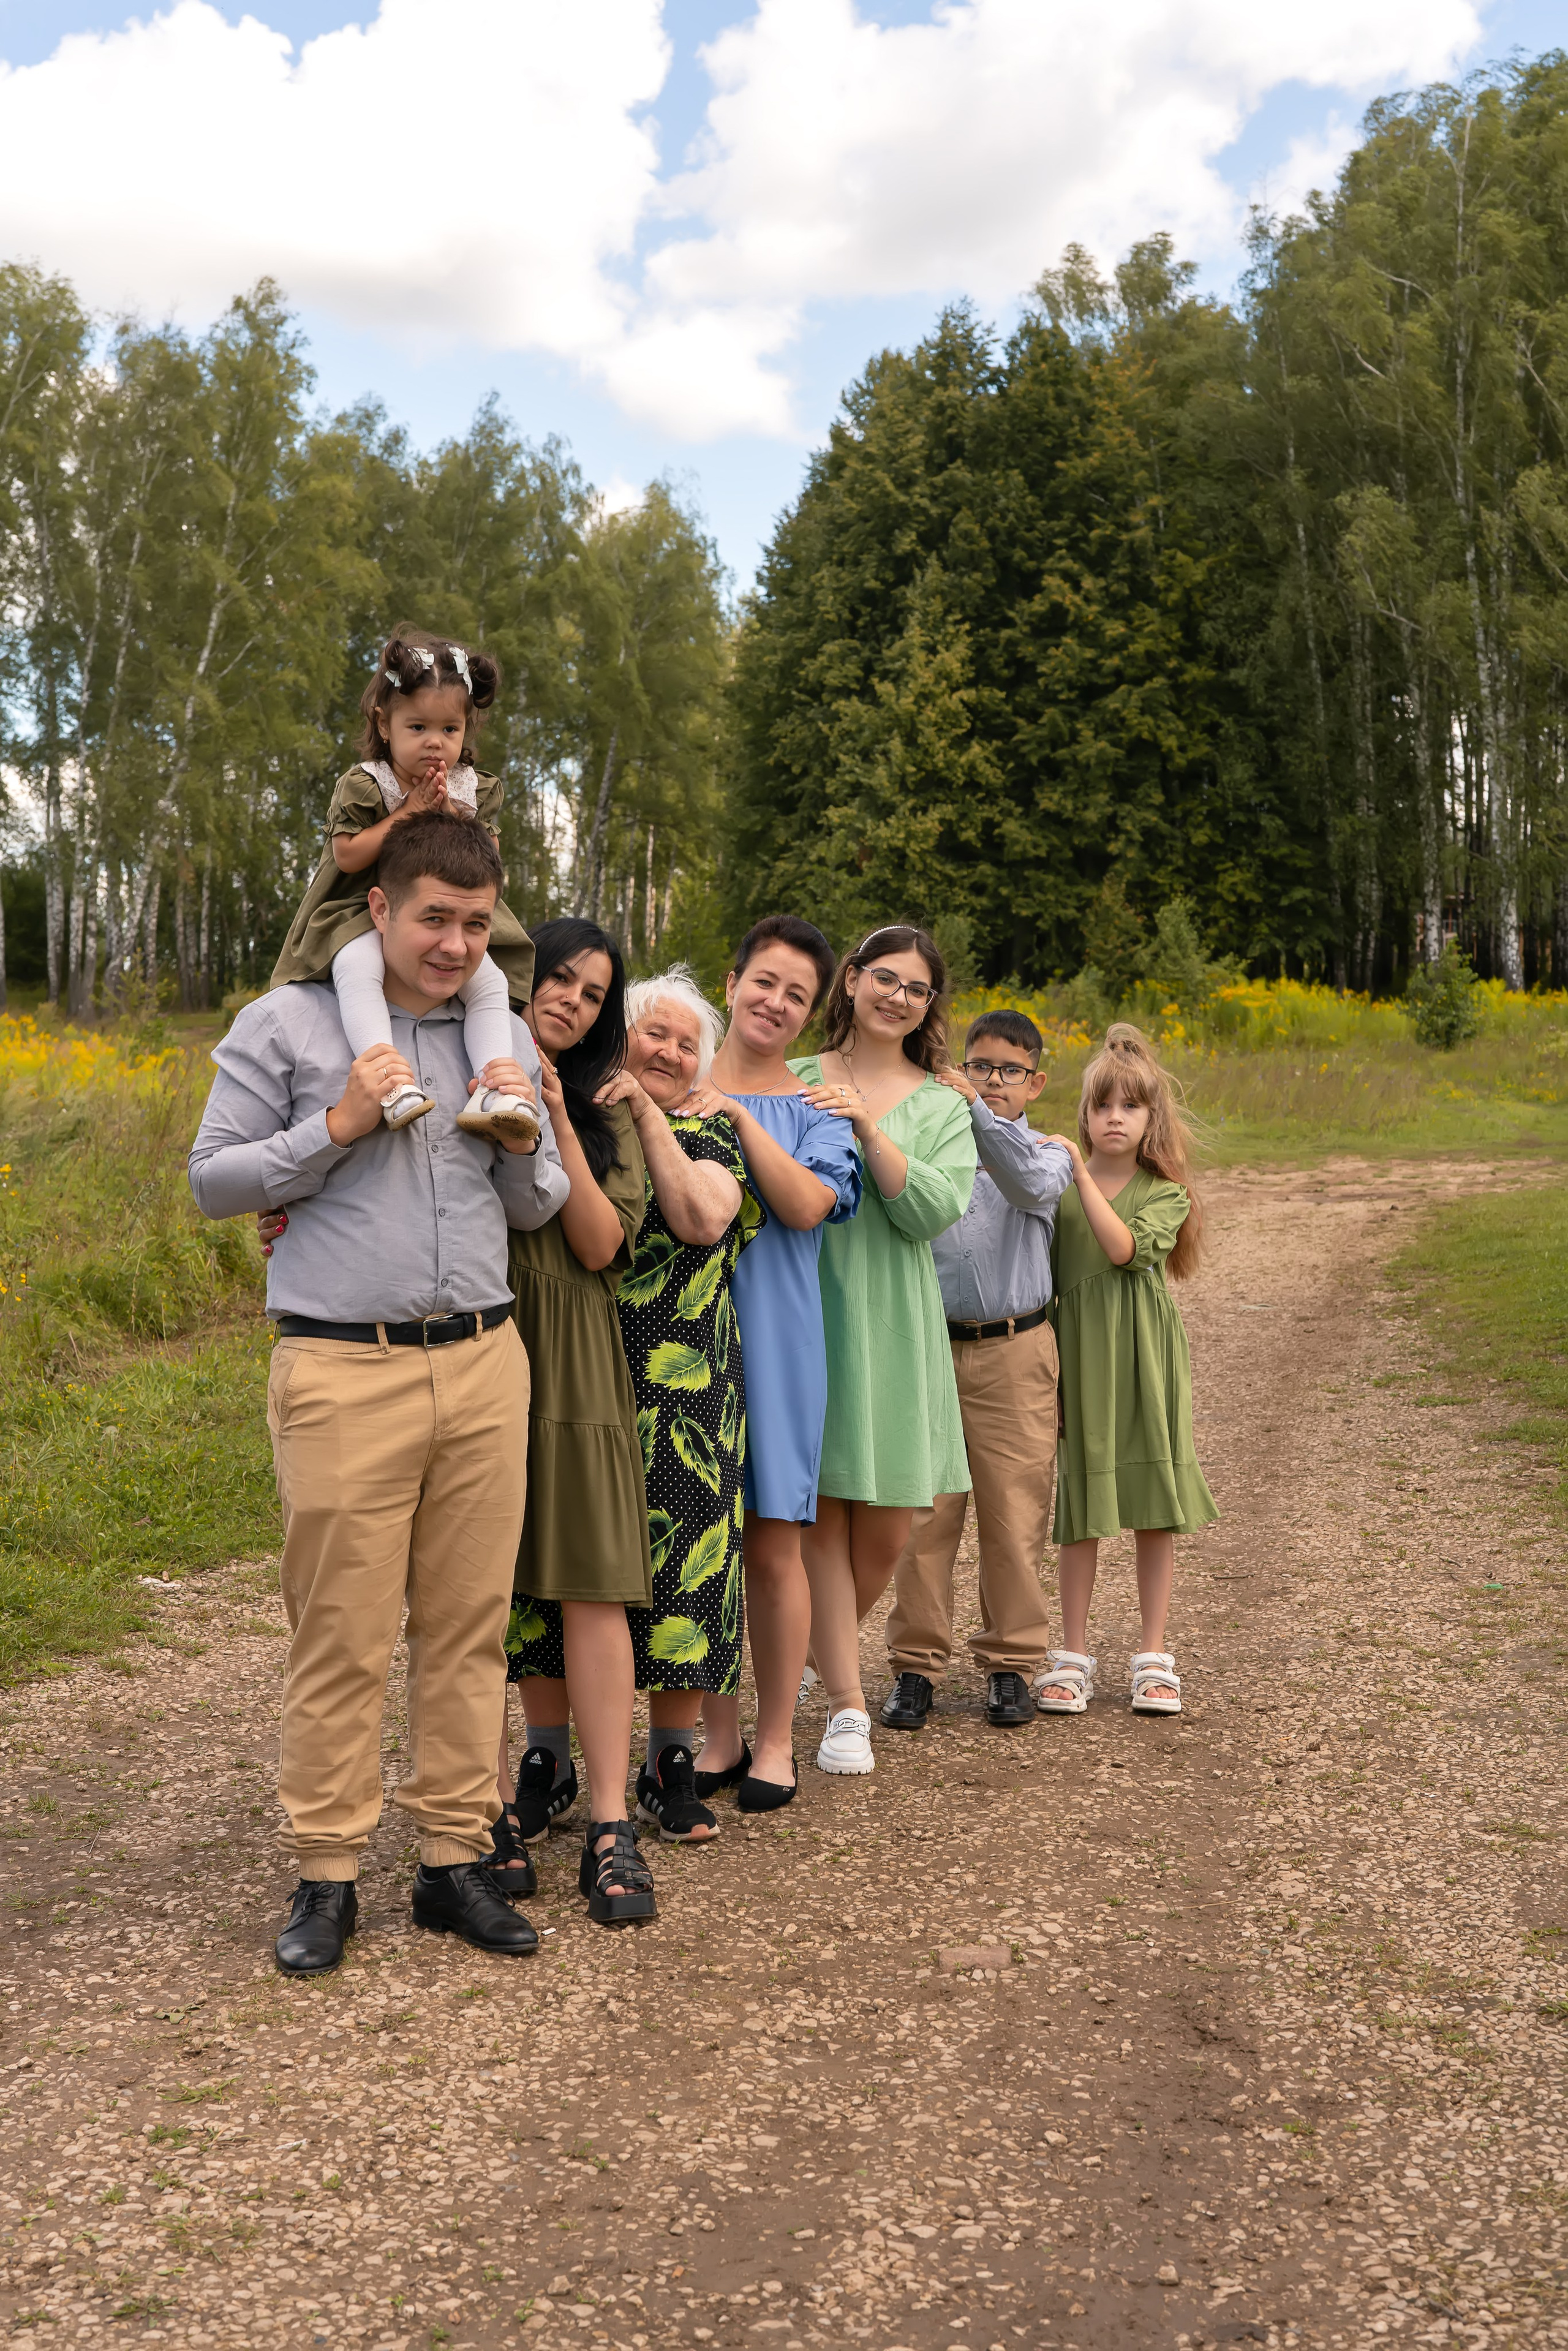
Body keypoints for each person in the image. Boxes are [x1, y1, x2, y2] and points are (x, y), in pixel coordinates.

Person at [189, 810, 564, 1974]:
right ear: (384, 910)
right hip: (345, 1364)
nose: (453, 944)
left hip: (487, 1362)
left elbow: (542, 1201)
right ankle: (329, 1872)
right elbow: (213, 1179)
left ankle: (455, 1861)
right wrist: (338, 1124)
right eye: (433, 919)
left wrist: (517, 1126)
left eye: (473, 923)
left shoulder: (495, 1034)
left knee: (466, 1630)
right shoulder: (289, 1022)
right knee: (342, 1633)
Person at [679, 916, 862, 1809]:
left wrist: (739, 1119)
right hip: (681, 1340)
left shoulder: (820, 1107)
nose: (777, 1003)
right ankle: (714, 1732)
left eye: (798, 995)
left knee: (772, 1544)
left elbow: (806, 1206)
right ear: (732, 979)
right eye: (766, 982)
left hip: (781, 1340)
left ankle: (780, 1737)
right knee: (697, 1540)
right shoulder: (670, 1080)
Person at [499, 919, 660, 1927]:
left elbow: (602, 1242)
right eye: (558, 977)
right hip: (478, 1337)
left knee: (594, 1584)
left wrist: (557, 1111)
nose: (571, 999)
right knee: (478, 1589)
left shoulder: (608, 1106)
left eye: (594, 992)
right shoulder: (461, 1063)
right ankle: (486, 1816)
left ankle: (610, 1825)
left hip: (578, 1346)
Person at [790, 925, 978, 1777]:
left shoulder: (943, 1104)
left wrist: (869, 1126)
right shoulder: (793, 1077)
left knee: (892, 1522)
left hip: (897, 1321)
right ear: (852, 980)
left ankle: (800, 1647)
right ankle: (847, 1703)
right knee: (823, 1516)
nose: (899, 996)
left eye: (918, 988)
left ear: (929, 1006)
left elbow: (929, 1210)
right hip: (808, 1308)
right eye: (885, 978)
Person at [586, 967, 762, 1842]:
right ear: (618, 1036)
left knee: (689, 1555)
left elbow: (700, 1218)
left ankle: (670, 1762)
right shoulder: (581, 1121)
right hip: (583, 1375)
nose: (669, 1050)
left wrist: (651, 1115)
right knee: (573, 1573)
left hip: (689, 1394)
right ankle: (550, 1757)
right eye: (653, 1032)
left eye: (687, 1042)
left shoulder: (714, 1133)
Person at [882, 1008, 1074, 1732]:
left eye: (1009, 1071)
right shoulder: (931, 1145)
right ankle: (915, 1666)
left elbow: (1029, 1186)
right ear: (960, 1064)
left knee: (1013, 1511)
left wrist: (971, 1107)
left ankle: (1010, 1664)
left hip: (1015, 1349)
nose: (993, 1081)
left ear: (1035, 1082)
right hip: (930, 1345)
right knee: (923, 1515)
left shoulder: (1045, 1152)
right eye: (980, 1066)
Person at [271, 625, 537, 1145]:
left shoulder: (475, 788)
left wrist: (458, 820)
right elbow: (347, 854)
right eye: (417, 727)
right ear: (385, 724)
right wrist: (410, 812)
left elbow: (489, 862)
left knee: (489, 982)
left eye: (450, 730)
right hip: (364, 905)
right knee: (357, 963)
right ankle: (389, 1079)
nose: (435, 743)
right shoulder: (368, 782)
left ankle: (493, 1085)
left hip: (445, 909)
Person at [1037, 1022, 1218, 1719]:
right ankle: (1073, 1654)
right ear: (1084, 1114)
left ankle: (1152, 1657)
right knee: (1080, 1511)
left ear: (1151, 1119)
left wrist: (1076, 1171)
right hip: (1079, 1358)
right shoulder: (1052, 1192)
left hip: (1145, 1360)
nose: (1115, 1117)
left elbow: (1118, 1251)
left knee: (1151, 1510)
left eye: (1130, 1107)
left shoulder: (1165, 1192)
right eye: (1102, 1106)